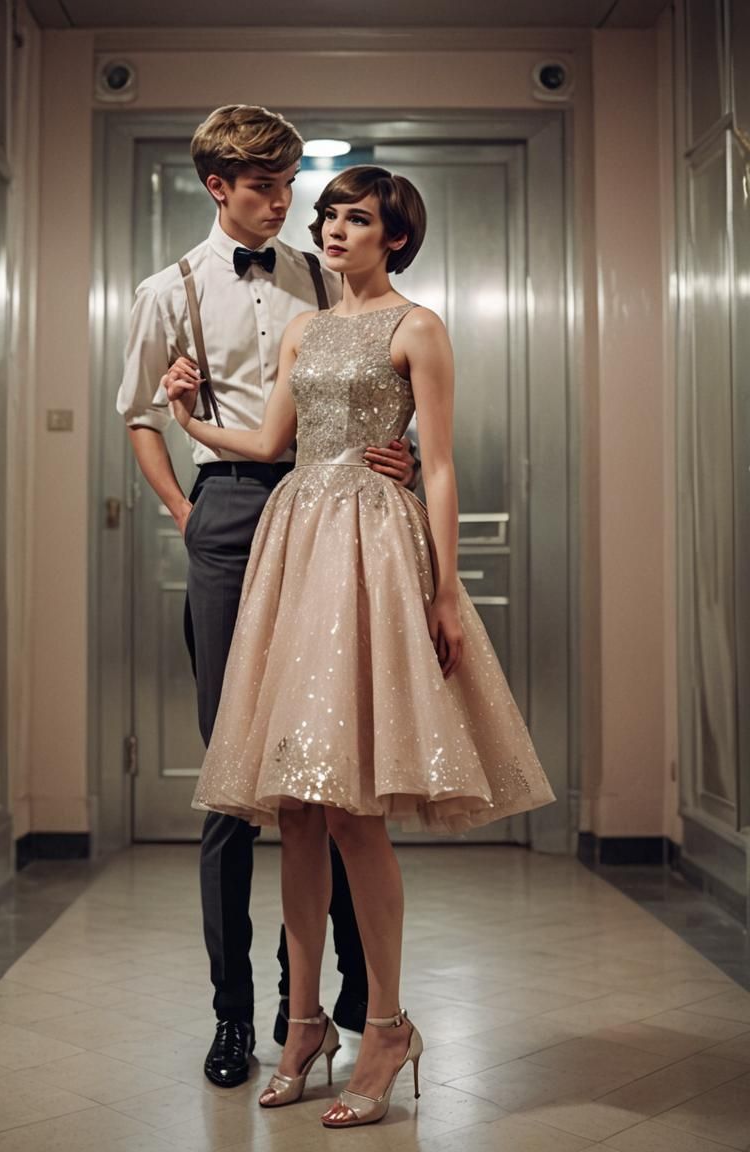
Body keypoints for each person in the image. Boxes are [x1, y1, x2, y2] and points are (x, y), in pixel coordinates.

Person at [166, 164, 556, 1129]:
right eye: (331, 215)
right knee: (295, 807)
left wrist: (446, 588)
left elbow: (444, 460)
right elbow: (268, 446)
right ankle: (303, 1025)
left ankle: (385, 1023)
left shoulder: (417, 325)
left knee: (351, 810)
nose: (334, 229)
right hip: (296, 542)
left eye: (357, 219)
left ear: (396, 238)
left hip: (375, 544)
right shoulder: (304, 326)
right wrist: (184, 416)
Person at [116, 106, 418, 1090]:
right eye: (264, 187)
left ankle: (345, 1006)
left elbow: (383, 367)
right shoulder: (167, 290)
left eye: (292, 184)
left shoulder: (321, 272)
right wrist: (183, 516)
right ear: (217, 187)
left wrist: (399, 450)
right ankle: (232, 1020)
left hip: (329, 508)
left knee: (326, 771)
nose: (286, 203)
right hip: (228, 507)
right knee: (232, 779)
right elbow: (139, 419)